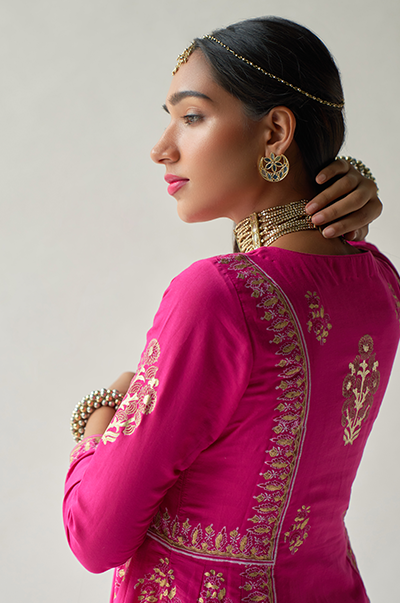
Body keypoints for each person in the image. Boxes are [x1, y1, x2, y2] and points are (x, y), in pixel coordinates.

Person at [63, 17, 399, 603]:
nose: (161, 148)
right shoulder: (380, 281)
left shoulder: (217, 295)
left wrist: (100, 416)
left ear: (275, 132)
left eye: (192, 117)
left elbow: (95, 535)